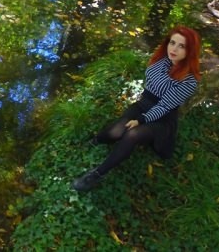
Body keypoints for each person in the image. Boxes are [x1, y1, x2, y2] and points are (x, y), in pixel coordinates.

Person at [72, 25, 202, 192]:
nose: (174, 49)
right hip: (143, 103)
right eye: (172, 43)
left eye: (181, 46)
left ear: (190, 51)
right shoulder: (162, 59)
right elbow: (150, 83)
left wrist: (140, 120)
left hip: (162, 118)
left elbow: (164, 106)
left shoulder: (189, 81)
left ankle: (97, 174)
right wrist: (138, 114)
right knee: (116, 131)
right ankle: (96, 141)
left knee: (132, 134)